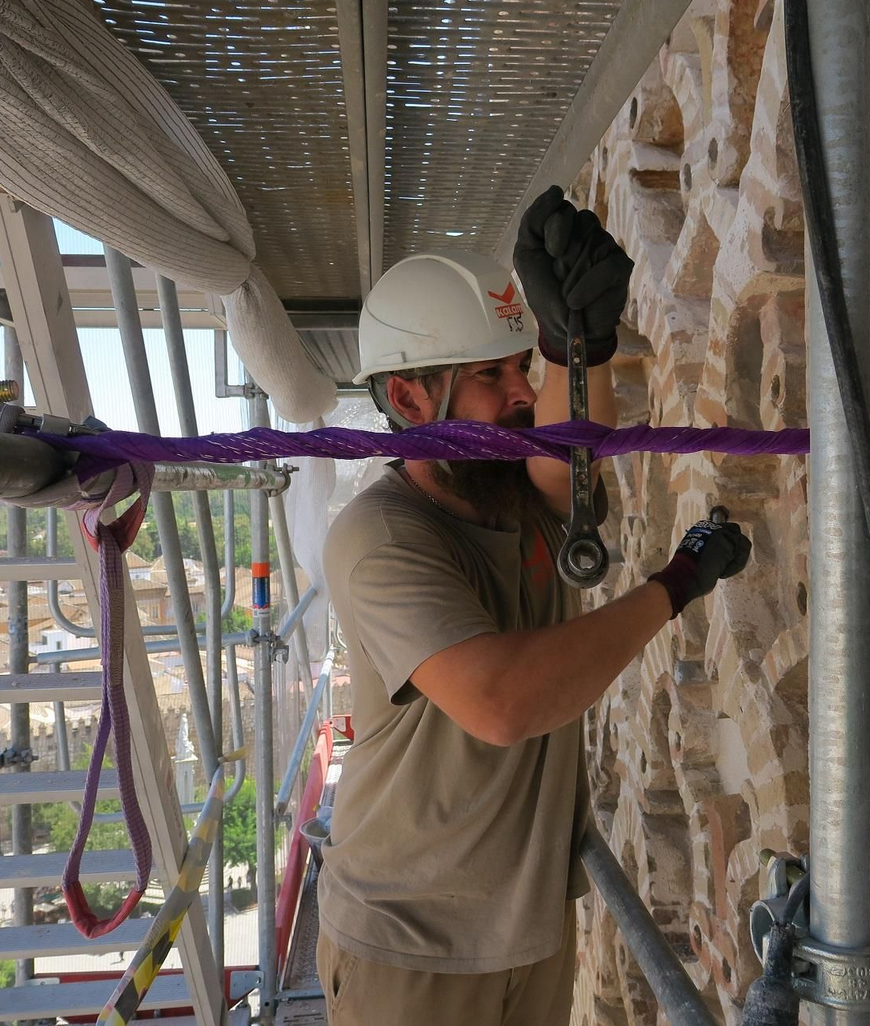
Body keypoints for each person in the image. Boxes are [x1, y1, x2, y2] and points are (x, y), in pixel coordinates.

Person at [315, 187, 752, 1024]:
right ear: (408, 401)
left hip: (528, 932)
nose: (519, 392)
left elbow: (565, 467)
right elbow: (503, 701)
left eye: (521, 369)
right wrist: (678, 583)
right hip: (408, 950)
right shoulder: (377, 538)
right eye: (491, 374)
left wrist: (572, 345)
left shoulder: (511, 494)